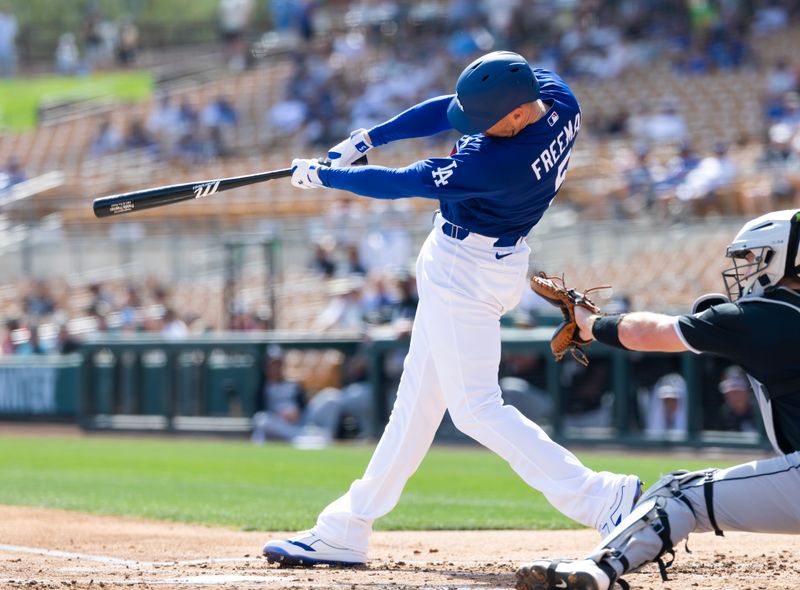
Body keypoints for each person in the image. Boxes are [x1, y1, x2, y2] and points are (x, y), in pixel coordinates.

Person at [262, 50, 641, 567]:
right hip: (486, 261)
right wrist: (367, 138)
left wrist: (326, 178)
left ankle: (602, 496)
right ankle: (347, 527)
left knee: (477, 409)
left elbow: (407, 182)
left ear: (514, 115)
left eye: (485, 120)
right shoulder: (555, 96)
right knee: (416, 406)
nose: (472, 126)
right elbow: (450, 108)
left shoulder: (495, 163)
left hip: (465, 271)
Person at [516, 208, 800, 590]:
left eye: (751, 258)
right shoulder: (767, 317)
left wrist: (590, 324)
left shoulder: (764, 315)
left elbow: (650, 334)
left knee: (679, 493)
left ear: (777, 257)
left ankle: (597, 568)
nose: (745, 269)